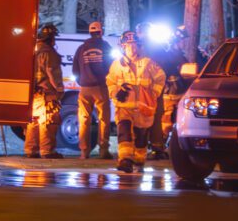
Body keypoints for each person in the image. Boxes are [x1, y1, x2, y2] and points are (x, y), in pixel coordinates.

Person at [106, 30, 165, 173]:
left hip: (143, 108)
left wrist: (153, 94)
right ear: (123, 47)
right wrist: (116, 92)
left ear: (139, 47)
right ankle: (125, 160)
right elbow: (110, 82)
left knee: (141, 137)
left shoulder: (148, 63)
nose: (131, 48)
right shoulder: (116, 65)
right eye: (128, 45)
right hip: (124, 107)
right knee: (124, 132)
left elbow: (160, 78)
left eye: (134, 45)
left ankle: (139, 160)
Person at [72, 21, 113, 159]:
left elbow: (75, 70)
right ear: (101, 32)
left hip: (84, 89)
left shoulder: (81, 48)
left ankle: (84, 151)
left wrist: (82, 81)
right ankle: (103, 150)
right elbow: (112, 67)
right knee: (104, 119)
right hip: (101, 88)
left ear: (90, 33)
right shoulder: (106, 47)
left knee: (83, 119)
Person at [147, 25, 189, 159]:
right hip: (170, 93)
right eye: (183, 41)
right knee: (166, 121)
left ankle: (168, 147)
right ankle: (159, 147)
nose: (184, 43)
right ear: (176, 41)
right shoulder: (168, 56)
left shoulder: (180, 56)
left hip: (180, 93)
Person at [24, 23, 64, 159]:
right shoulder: (49, 52)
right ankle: (47, 151)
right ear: (51, 38)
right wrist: (59, 89)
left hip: (33, 92)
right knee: (49, 122)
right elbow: (52, 72)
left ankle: (31, 150)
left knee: (33, 122)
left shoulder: (33, 50)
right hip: (47, 92)